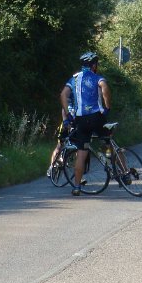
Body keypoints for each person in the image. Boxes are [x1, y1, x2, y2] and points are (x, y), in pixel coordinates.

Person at [60, 51, 111, 196]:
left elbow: (63, 95)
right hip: (97, 116)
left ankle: (77, 187)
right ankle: (118, 167)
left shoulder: (74, 79)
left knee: (81, 153)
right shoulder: (97, 77)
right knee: (108, 140)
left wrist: (68, 114)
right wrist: (107, 107)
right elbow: (104, 87)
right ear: (94, 65)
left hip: (81, 119)